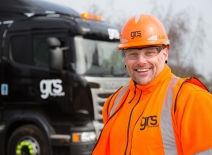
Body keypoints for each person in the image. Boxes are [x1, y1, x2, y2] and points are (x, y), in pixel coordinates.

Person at [92, 13, 212, 155]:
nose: (141, 61)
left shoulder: (191, 99)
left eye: (149, 52)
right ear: (125, 57)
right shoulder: (114, 103)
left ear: (165, 53)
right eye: (133, 53)